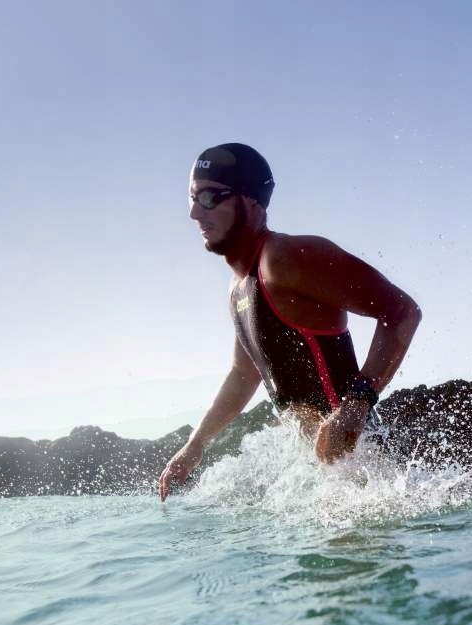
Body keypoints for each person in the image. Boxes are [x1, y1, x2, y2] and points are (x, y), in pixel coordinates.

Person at [159, 143, 421, 500]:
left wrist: (355, 406)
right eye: (191, 198)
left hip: (362, 473)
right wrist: (194, 446)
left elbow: (402, 311)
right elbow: (243, 373)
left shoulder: (284, 259)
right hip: (323, 483)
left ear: (251, 200)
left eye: (209, 198)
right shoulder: (239, 289)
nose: (194, 212)